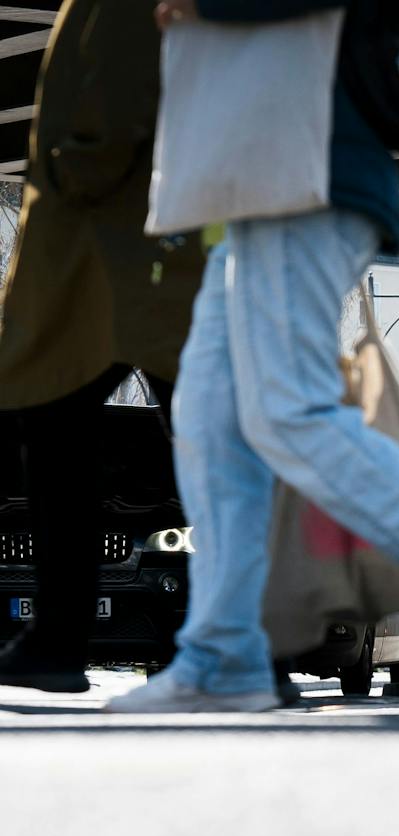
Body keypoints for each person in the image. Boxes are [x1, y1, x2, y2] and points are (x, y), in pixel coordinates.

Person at [109, 0, 399, 713]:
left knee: (289, 410)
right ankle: (226, 652)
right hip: (271, 179)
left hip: (308, 170)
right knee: (210, 414)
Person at [0, 0, 209, 693]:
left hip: (107, 254)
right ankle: (237, 638)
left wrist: (69, 174)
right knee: (207, 442)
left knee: (56, 427)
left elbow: (114, 94)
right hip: (154, 252)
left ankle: (58, 639)